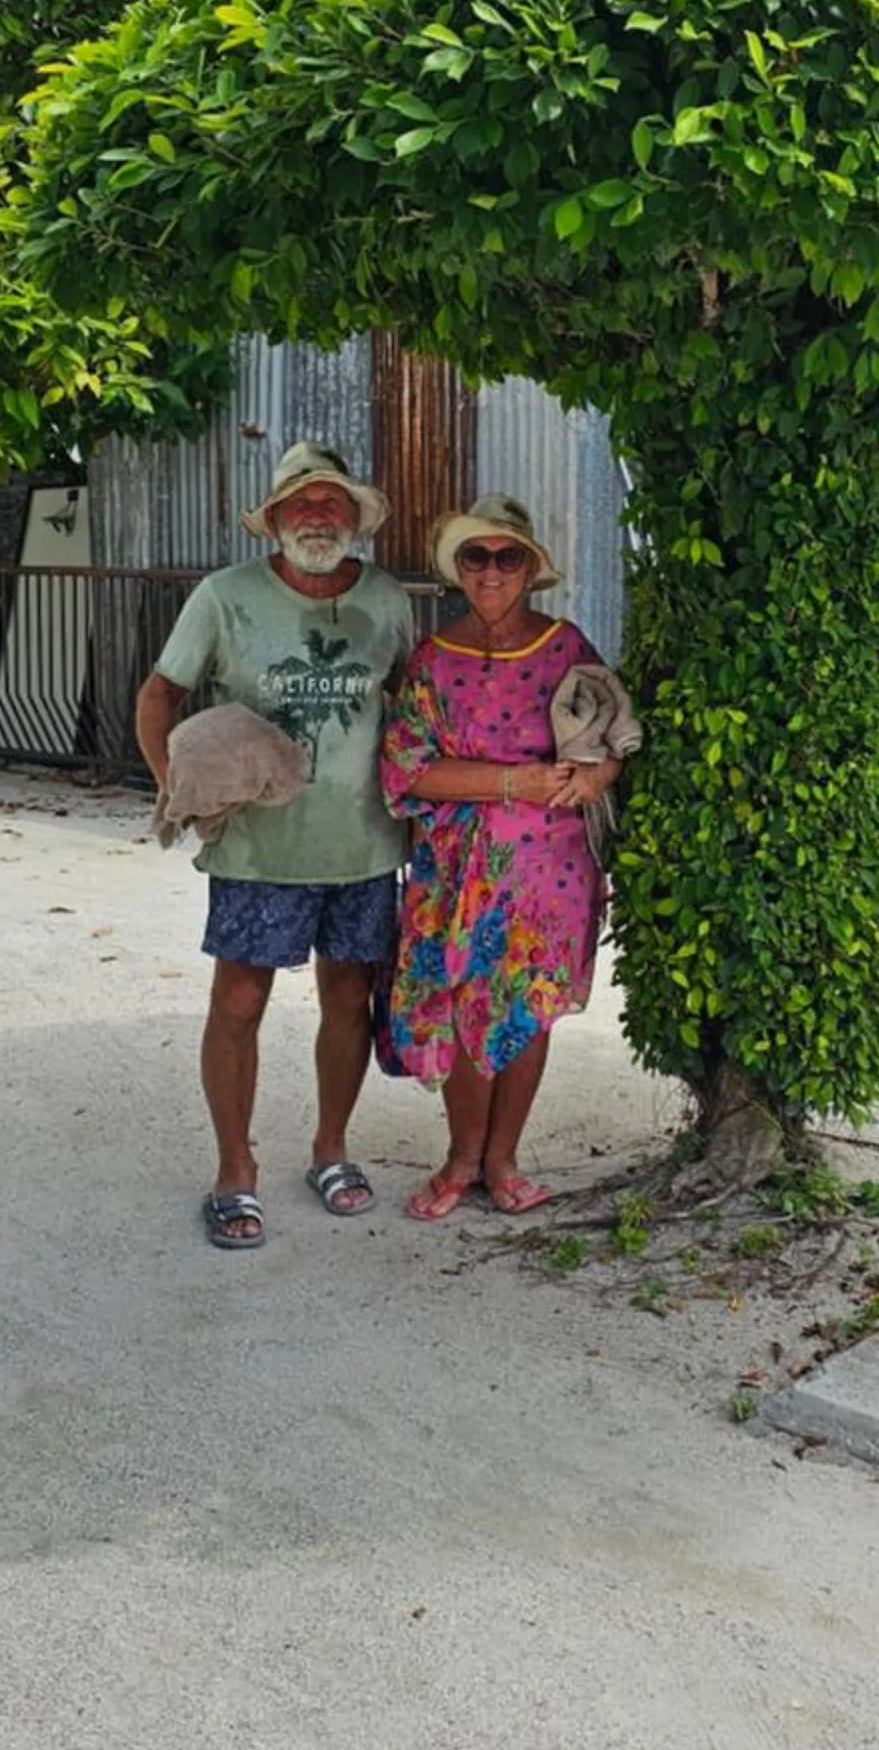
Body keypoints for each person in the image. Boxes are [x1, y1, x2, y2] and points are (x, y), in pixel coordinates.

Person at [136, 441, 414, 1250]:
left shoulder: (387, 598)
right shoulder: (225, 597)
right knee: (239, 1003)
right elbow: (159, 694)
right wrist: (177, 788)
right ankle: (235, 1170)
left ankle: (331, 1149)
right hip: (258, 851)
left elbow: (410, 702)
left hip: (363, 845)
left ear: (355, 517)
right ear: (275, 517)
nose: (317, 515)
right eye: (301, 501)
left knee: (349, 998)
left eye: (332, 501)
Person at [379, 494, 625, 1220]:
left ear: (529, 568)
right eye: (476, 557)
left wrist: (595, 777)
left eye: (507, 556)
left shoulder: (566, 646)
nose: (491, 571)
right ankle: (462, 1158)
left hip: (551, 870)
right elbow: (407, 770)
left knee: (528, 1006)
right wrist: (514, 783)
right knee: (463, 1005)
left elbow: (611, 734)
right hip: (455, 873)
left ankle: (503, 1160)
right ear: (458, 569)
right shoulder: (432, 660)